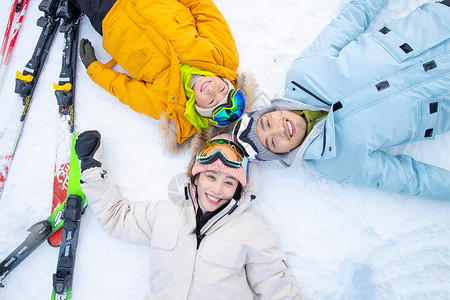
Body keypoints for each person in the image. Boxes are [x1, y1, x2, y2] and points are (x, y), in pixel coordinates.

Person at [232, 0, 450, 200]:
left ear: (271, 111)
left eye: (267, 123)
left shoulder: (305, 74)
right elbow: (410, 179)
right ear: (281, 154)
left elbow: (351, 19)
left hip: (437, 24)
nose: (278, 130)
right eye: (272, 142)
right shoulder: (335, 162)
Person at [74, 130, 303, 299]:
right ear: (196, 177)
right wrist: (92, 170)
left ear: (238, 188)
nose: (216, 190)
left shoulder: (252, 229)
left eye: (228, 182)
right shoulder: (167, 213)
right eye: (210, 177)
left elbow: (276, 288)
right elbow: (118, 218)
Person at [70, 0, 254, 153]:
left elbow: (125, 90)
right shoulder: (222, 56)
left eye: (211, 101)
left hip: (109, 16)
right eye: (222, 89)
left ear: (199, 109)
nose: (212, 89)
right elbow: (205, 11)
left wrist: (94, 69)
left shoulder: (166, 102)